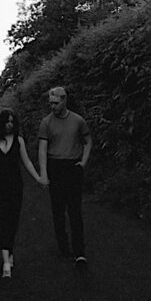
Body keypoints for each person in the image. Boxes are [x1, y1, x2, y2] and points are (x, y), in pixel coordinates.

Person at [0, 108, 46, 278]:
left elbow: (27, 162)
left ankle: (9, 253)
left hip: (14, 187)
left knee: (11, 221)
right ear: (1, 122)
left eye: (12, 122)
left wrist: (38, 178)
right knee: (0, 221)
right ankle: (6, 264)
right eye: (7, 121)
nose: (9, 125)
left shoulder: (19, 141)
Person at [38, 86, 92, 271]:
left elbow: (88, 140)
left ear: (64, 100)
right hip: (56, 167)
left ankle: (79, 253)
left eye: (55, 103)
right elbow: (43, 150)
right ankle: (64, 248)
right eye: (50, 103)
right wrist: (44, 174)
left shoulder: (78, 121)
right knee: (58, 211)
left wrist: (83, 162)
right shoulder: (46, 122)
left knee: (75, 210)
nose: (52, 106)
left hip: (73, 167)